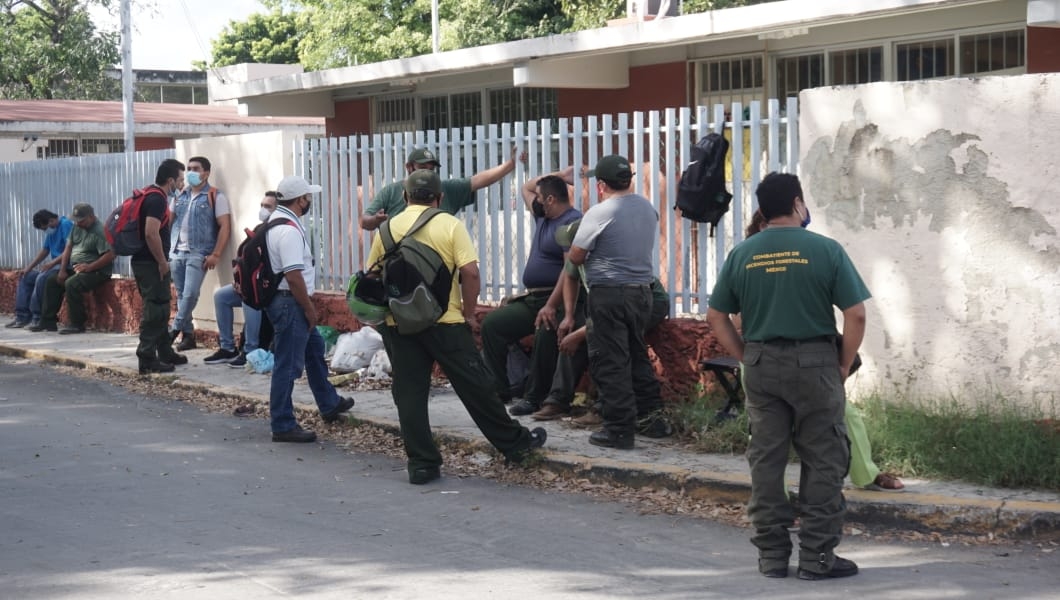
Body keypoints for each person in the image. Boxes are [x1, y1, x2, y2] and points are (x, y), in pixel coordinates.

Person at [706, 172, 869, 580]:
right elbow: (856, 314)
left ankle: (772, 558)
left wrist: (746, 356)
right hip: (815, 364)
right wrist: (844, 363)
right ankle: (816, 559)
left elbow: (715, 317)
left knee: (766, 460)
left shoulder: (743, 254)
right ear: (798, 203)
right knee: (823, 459)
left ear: (762, 209)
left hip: (761, 364)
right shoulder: (825, 249)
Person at [367, 169, 547, 485]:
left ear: (406, 197)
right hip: (445, 322)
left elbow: (373, 276)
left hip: (400, 324)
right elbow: (470, 273)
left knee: (409, 393)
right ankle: (516, 446)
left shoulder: (386, 230)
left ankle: (422, 464)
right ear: (439, 197)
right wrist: (468, 312)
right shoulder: (450, 224)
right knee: (476, 385)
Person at [744, 208, 903, 493]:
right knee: (769, 435)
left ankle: (866, 473)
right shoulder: (746, 258)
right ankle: (778, 501)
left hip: (811, 359)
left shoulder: (809, 256)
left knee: (845, 413)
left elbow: (844, 309)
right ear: (763, 227)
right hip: (763, 357)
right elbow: (733, 319)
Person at [532, 220, 670, 438]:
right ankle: (558, 400)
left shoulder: (607, 262)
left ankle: (607, 411)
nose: (570, 251)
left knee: (610, 348)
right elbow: (569, 277)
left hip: (647, 302)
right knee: (577, 339)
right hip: (611, 306)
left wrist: (579, 334)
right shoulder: (579, 259)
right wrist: (568, 317)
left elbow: (613, 314)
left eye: (574, 245)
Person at [568, 155, 664, 450]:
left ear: (600, 185)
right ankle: (653, 420)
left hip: (609, 294)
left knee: (611, 361)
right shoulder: (647, 209)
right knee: (636, 355)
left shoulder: (600, 212)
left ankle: (619, 430)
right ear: (629, 180)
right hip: (642, 292)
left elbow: (576, 256)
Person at [481, 171, 582, 415]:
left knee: (546, 331)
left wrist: (551, 304)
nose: (533, 200)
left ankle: (534, 397)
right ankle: (499, 388)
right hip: (534, 298)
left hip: (557, 298)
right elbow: (527, 187)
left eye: (540, 197)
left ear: (550, 200)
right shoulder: (543, 217)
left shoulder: (571, 222)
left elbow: (569, 272)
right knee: (493, 324)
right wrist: (560, 174)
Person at [265, 175, 355, 443]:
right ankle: (282, 424)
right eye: (308, 198)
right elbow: (293, 276)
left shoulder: (276, 222)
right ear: (300, 200)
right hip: (291, 302)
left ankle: (329, 403)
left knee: (314, 351)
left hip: (285, 301)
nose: (309, 202)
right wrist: (309, 309)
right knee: (288, 365)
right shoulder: (289, 231)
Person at [359, 146, 520, 230]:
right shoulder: (390, 192)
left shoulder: (446, 189)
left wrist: (510, 165)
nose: (427, 173)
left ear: (440, 198)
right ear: (409, 167)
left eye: (431, 169)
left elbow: (477, 180)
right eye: (422, 167)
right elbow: (365, 221)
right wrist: (375, 220)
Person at [205, 191, 279, 367]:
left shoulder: (277, 232)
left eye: (268, 206)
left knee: (249, 298)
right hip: (248, 284)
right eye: (262, 205)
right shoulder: (259, 229)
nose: (263, 209)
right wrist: (240, 282)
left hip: (265, 288)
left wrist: (247, 285)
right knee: (221, 296)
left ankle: (250, 350)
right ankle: (227, 347)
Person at [132, 159, 190, 374]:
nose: (182, 183)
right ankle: (146, 357)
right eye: (180, 179)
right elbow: (150, 232)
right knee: (155, 309)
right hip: (151, 263)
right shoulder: (156, 200)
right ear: (170, 180)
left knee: (162, 306)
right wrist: (162, 262)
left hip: (147, 261)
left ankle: (164, 351)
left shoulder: (150, 194)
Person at [168, 156, 232, 351]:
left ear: (206, 173)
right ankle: (188, 337)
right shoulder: (180, 195)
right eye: (188, 168)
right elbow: (170, 222)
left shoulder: (215, 196)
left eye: (195, 168)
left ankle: (172, 331)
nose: (190, 172)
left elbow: (225, 227)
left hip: (199, 253)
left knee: (190, 294)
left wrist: (216, 254)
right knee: (181, 295)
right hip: (177, 252)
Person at [37, 204, 115, 334]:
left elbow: (110, 255)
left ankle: (77, 324)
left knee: (72, 283)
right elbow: (68, 248)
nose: (78, 223)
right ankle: (48, 321)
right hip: (78, 268)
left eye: (81, 220)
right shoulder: (76, 228)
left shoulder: (100, 231)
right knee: (52, 281)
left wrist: (89, 267)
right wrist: (62, 270)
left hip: (97, 271)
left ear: (91, 217)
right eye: (76, 220)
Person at [6, 210, 74, 331]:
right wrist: (28, 268)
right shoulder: (52, 230)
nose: (46, 231)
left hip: (64, 265)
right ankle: (22, 316)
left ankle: (38, 317)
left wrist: (52, 263)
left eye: (45, 228)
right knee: (25, 277)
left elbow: (69, 250)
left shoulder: (65, 225)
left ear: (52, 220)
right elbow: (45, 251)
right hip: (53, 265)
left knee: (41, 278)